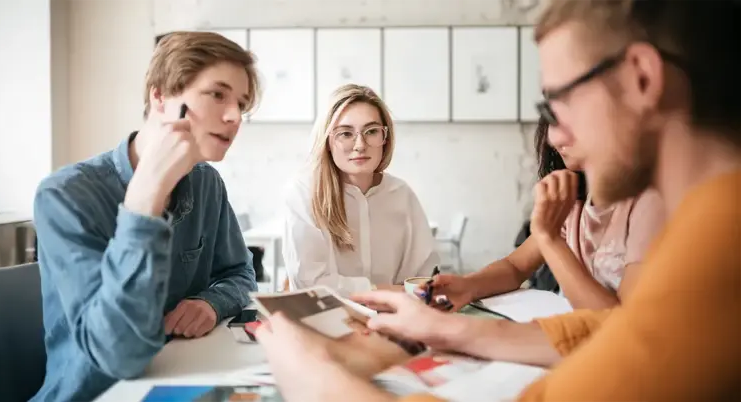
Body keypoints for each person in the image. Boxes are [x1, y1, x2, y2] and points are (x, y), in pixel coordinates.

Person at [255, 1, 741, 401]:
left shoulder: (718, 252)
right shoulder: (704, 222)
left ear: (641, 78)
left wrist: (312, 376)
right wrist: (447, 332)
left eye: (558, 101)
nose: (555, 133)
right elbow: (618, 331)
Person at [30, 32, 259, 401]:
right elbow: (118, 358)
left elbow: (240, 273)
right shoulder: (66, 195)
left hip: (181, 376)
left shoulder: (206, 183)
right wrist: (144, 204)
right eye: (217, 94)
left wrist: (211, 303)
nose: (234, 117)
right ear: (160, 95)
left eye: (242, 104)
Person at [421, 117, 665, 310]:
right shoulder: (575, 199)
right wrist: (467, 286)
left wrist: (549, 238)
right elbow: (515, 267)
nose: (552, 137)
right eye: (550, 116)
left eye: (569, 117)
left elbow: (620, 327)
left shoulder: (649, 203)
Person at [281, 84, 439, 295]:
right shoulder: (302, 192)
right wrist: (390, 292)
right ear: (327, 141)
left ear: (386, 138)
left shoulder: (401, 194)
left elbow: (423, 278)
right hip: (326, 320)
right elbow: (311, 286)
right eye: (345, 133)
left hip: (397, 319)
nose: (360, 145)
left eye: (371, 131)